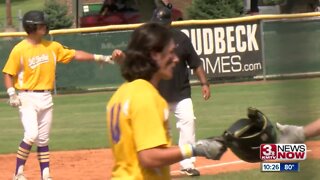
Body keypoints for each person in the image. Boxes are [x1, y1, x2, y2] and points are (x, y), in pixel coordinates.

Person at [2, 10, 123, 180]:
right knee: (31, 135)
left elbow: (75, 54)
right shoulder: (19, 49)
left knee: (43, 139)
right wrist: (11, 93)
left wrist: (100, 57)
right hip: (27, 97)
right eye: (41, 24)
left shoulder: (52, 46)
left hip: (46, 97)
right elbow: (8, 73)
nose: (45, 26)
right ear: (32, 27)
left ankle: (46, 175)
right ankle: (18, 173)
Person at [106, 22, 226, 179]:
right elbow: (149, 157)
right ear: (154, 55)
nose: (176, 59)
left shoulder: (122, 92)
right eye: (170, 53)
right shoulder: (145, 95)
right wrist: (196, 149)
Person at [151, 6, 211, 176]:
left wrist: (204, 83)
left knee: (188, 123)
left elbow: (195, 63)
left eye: (162, 23)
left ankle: (187, 164)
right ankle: (156, 166)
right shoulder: (149, 41)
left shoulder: (181, 39)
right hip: (156, 96)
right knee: (156, 132)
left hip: (181, 93)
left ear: (170, 23)